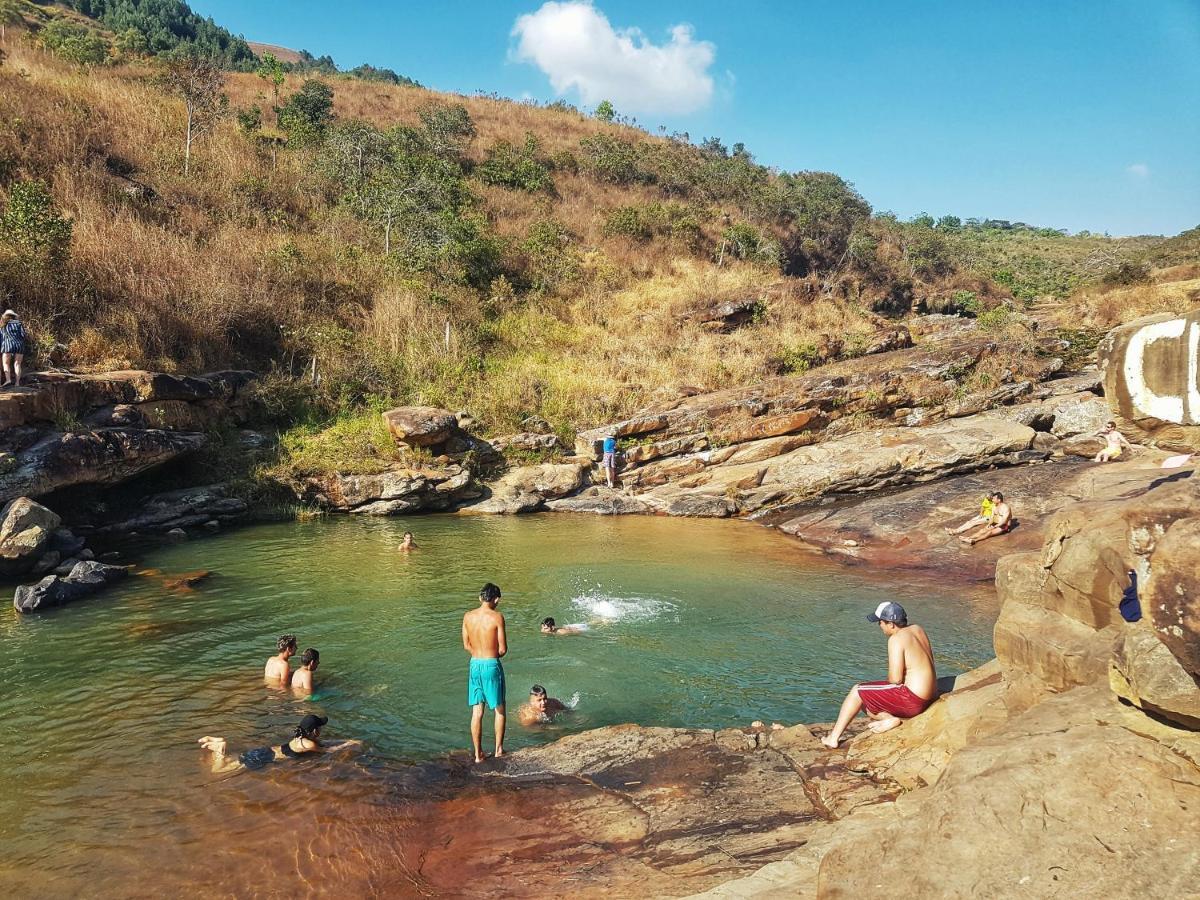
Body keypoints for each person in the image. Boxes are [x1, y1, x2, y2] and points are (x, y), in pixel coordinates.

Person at [821, 602, 937, 749]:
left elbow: (895, 679)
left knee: (857, 691)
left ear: (891, 624)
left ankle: (833, 738)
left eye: (880, 622)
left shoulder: (896, 639)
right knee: (866, 699)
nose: (879, 626)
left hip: (913, 699)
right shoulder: (917, 629)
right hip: (930, 695)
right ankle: (889, 719)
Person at [198, 714, 358, 774]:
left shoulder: (301, 738)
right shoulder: (309, 744)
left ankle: (218, 744)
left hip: (268, 751)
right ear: (314, 731)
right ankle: (220, 747)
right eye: (320, 728)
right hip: (266, 757)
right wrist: (348, 743)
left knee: (233, 760)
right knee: (217, 771)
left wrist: (342, 741)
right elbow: (327, 751)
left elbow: (324, 744)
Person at [462, 582, 507, 763]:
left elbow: (466, 645)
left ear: (480, 597)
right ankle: (498, 750)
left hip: (474, 664)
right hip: (491, 664)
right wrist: (491, 656)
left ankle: (478, 754)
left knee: (477, 711)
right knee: (499, 709)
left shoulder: (467, 616)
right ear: (496, 599)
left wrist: (479, 655)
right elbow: (503, 649)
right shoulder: (497, 617)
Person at [1, 309, 29, 389]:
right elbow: (23, 335)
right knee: (17, 364)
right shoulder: (19, 323)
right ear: (14, 316)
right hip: (19, 345)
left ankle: (8, 380)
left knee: (6, 363)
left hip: (7, 345)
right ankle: (17, 383)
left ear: (5, 316)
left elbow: (1, 336)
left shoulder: (4, 324)